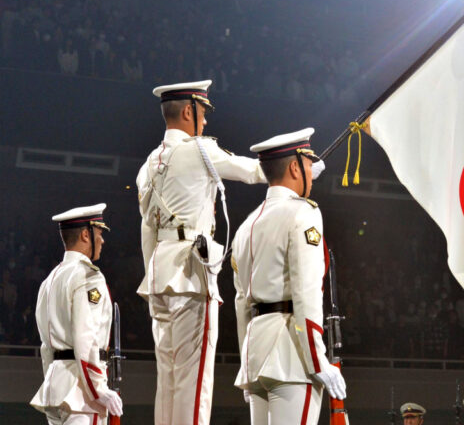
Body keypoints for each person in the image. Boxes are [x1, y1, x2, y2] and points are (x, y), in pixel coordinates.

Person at [136, 80, 324, 425]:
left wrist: (152, 277)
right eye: (203, 113)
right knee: (195, 382)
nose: (205, 122)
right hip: (190, 273)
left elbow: (147, 230)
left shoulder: (148, 165)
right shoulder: (198, 150)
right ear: (189, 110)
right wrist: (305, 169)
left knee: (168, 380)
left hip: (159, 276)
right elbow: (255, 170)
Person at [231, 128, 344, 425]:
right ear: (295, 167)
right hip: (290, 355)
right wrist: (317, 360)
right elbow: (306, 294)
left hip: (256, 352)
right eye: (308, 164)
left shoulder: (247, 225)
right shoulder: (303, 213)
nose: (312, 171)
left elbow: (242, 303)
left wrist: (247, 361)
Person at [30, 203, 123, 424]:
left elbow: (46, 346)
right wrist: (98, 389)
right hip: (81, 392)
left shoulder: (49, 280)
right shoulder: (88, 276)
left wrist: (53, 379)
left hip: (56, 385)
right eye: (99, 233)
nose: (102, 240)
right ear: (85, 234)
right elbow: (85, 338)